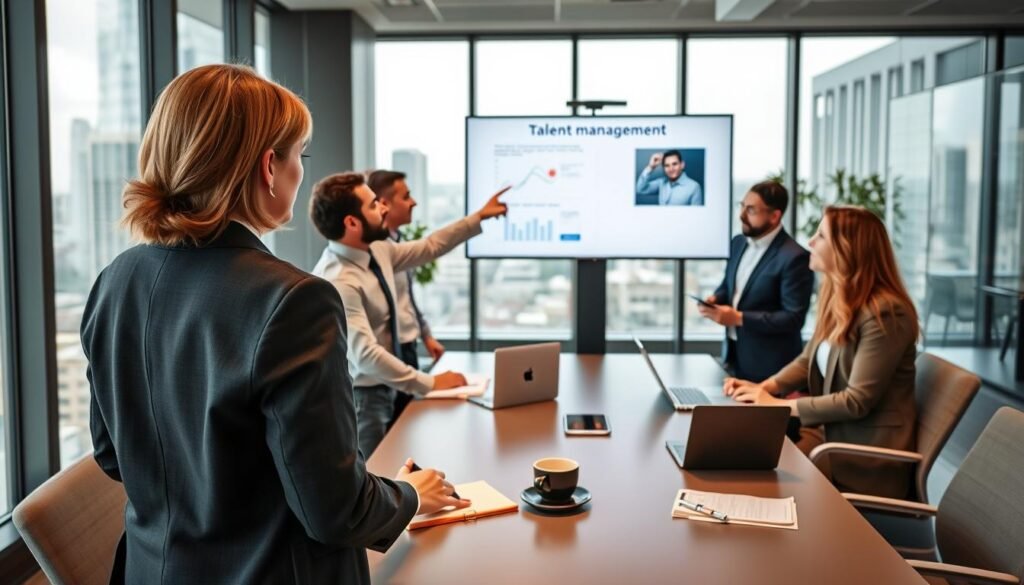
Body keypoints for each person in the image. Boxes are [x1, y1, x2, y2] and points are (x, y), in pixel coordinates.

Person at [82, 64, 468, 585]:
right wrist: (412, 494)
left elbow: (113, 455)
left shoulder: (115, 280)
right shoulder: (295, 301)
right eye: (298, 156)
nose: (299, 171)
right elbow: (335, 512)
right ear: (269, 167)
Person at [724, 206, 919, 499]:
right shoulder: (838, 298)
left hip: (863, 456)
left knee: (759, 484)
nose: (811, 242)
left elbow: (856, 401)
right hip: (828, 437)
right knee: (741, 467)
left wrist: (777, 405)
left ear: (847, 249)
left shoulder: (886, 312)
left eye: (821, 236)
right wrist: (763, 388)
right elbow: (807, 362)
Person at [310, 172, 508, 456]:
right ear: (352, 223)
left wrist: (478, 217)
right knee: (374, 474)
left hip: (390, 384)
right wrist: (430, 382)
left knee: (400, 465)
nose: (384, 208)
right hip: (364, 397)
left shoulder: (378, 249)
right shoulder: (339, 280)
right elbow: (365, 356)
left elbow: (429, 247)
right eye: (374, 204)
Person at [699, 181, 814, 383]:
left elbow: (793, 318)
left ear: (775, 216)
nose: (741, 215)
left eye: (750, 209)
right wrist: (716, 298)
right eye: (742, 206)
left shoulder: (795, 257)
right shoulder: (738, 243)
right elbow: (729, 286)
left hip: (772, 369)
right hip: (734, 357)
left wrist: (739, 318)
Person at [366, 169, 443, 427]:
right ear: (384, 204)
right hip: (385, 356)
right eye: (407, 196)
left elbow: (406, 297)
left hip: (407, 348)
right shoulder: (371, 251)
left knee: (408, 424)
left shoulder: (397, 244)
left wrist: (426, 334)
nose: (414, 203)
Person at [635, 149, 703, 205]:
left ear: (682, 165)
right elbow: (640, 190)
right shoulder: (661, 182)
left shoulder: (694, 187)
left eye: (674, 164)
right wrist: (651, 167)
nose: (671, 169)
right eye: (667, 165)